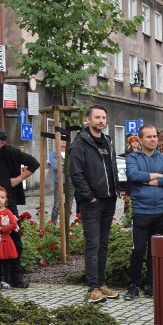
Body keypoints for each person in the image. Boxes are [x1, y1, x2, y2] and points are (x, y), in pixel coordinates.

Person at [69, 105, 121, 304]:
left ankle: (101, 283)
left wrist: (116, 191)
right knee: (93, 244)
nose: (101, 120)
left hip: (108, 200)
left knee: (104, 244)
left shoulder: (107, 141)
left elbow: (112, 168)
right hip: (92, 203)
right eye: (97, 117)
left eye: (103, 117)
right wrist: (88, 196)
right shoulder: (80, 143)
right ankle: (92, 288)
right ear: (88, 120)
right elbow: (76, 173)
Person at [0, 127, 40, 288]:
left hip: (7, 200)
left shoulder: (11, 152)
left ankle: (14, 276)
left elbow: (33, 163)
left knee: (15, 236)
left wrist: (18, 179)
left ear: (2, 143)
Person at [125, 125, 163, 298]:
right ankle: (133, 285)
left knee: (155, 251)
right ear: (140, 140)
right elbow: (133, 175)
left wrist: (147, 179)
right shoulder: (132, 157)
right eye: (149, 137)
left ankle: (151, 285)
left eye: (155, 136)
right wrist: (157, 176)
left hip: (161, 210)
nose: (153, 139)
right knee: (138, 250)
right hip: (141, 210)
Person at [0, 186, 19, 289]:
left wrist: (2, 229)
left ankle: (6, 281)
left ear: (6, 199)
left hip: (6, 240)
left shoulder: (7, 212)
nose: (0, 200)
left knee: (6, 262)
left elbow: (14, 224)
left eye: (2, 197)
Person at [47, 139, 71, 224]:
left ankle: (66, 225)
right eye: (61, 139)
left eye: (65, 139)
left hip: (71, 182)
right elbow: (56, 167)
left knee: (69, 205)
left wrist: (62, 164)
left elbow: (75, 166)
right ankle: (53, 224)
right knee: (56, 205)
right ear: (57, 141)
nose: (64, 141)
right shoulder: (53, 154)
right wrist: (67, 165)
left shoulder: (70, 153)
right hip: (59, 182)